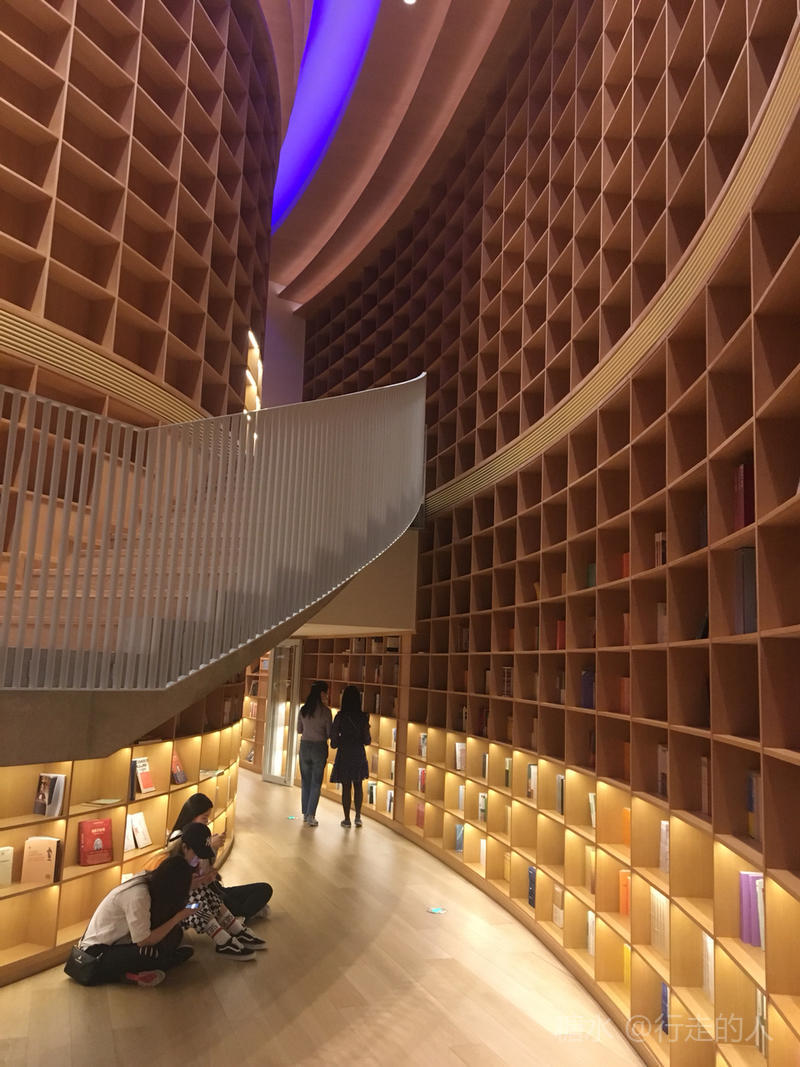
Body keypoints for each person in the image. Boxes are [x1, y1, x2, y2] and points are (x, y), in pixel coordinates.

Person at [77, 855, 195, 987]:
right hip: (96, 953)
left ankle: (149, 967)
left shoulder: (148, 880)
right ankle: (166, 962)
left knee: (176, 933)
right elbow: (143, 940)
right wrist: (177, 917)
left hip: (120, 943)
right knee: (147, 953)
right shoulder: (139, 895)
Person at [156, 822, 263, 959]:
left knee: (204, 892)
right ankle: (223, 940)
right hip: (164, 916)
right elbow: (170, 894)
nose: (199, 859)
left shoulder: (189, 860)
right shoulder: (167, 863)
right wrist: (198, 882)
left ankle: (235, 931)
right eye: (197, 854)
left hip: (177, 907)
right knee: (196, 898)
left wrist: (205, 879)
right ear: (184, 847)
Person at [168, 793, 272, 921]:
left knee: (264, 889)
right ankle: (239, 916)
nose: (207, 821)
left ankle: (239, 915)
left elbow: (209, 867)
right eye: (204, 818)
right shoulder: (179, 838)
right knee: (236, 904)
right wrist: (211, 846)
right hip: (201, 893)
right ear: (192, 815)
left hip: (214, 887)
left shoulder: (199, 833)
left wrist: (213, 848)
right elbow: (196, 874)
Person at [330, 685, 371, 828]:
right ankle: (358, 817)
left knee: (346, 787)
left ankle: (346, 819)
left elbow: (333, 742)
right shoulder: (363, 717)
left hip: (344, 754)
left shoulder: (340, 717)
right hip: (358, 754)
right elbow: (367, 740)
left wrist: (340, 740)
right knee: (358, 785)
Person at [297, 680, 332, 826]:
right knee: (316, 783)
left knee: (305, 781)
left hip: (304, 747)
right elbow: (329, 733)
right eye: (326, 693)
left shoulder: (304, 709)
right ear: (322, 693)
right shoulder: (326, 712)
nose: (327, 696)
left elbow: (299, 729)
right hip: (319, 748)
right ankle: (311, 815)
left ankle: (305, 813)